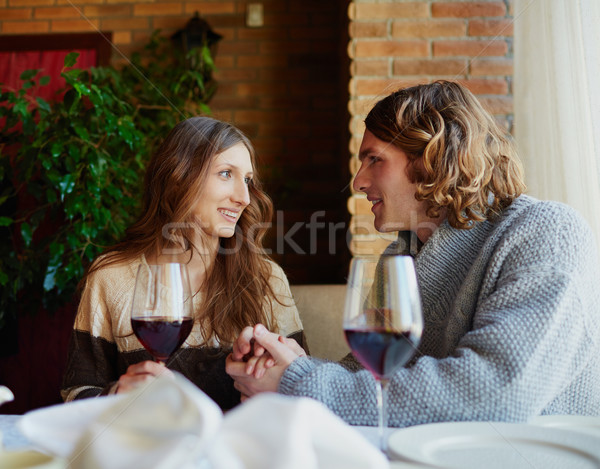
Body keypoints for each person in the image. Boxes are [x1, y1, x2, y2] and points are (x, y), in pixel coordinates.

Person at [226, 80, 600, 425]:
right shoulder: (400, 258)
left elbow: (498, 392)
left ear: (431, 159)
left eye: (375, 159)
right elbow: (372, 378)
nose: (358, 182)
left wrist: (300, 382)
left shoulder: (546, 232)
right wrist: (288, 362)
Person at [62, 116, 305, 410]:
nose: (243, 197)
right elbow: (76, 392)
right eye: (226, 173)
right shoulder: (110, 278)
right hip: (152, 452)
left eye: (248, 180)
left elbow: (306, 389)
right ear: (179, 177)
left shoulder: (267, 279)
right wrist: (116, 396)